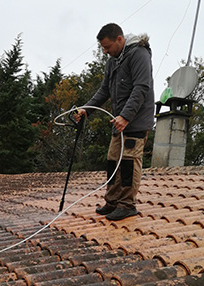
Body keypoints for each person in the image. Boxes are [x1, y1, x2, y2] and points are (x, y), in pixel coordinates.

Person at [75, 23, 155, 221]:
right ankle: (112, 202)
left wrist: (126, 116)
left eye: (108, 47)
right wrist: (87, 109)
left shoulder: (139, 53)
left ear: (119, 39)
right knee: (113, 160)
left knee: (128, 162)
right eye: (103, 47)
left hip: (134, 121)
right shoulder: (112, 61)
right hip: (118, 122)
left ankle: (127, 205)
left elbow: (141, 87)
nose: (105, 51)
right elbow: (104, 91)